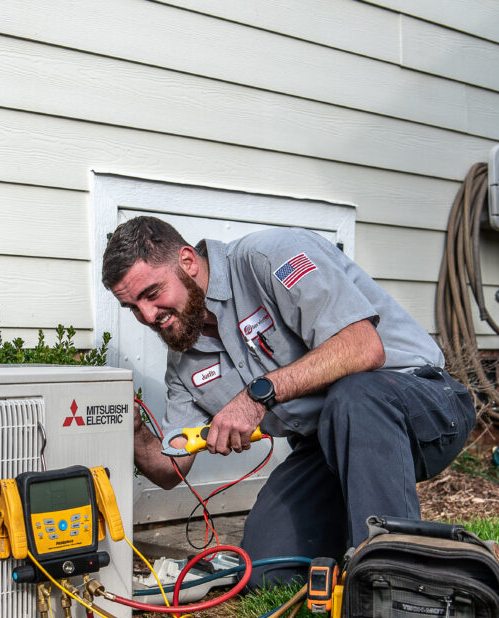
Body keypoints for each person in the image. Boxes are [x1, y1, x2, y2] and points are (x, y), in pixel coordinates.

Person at [102, 215, 475, 587]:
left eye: (152, 294)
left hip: (422, 404)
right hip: (327, 444)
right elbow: (171, 469)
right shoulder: (184, 361)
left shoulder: (268, 258)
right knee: (265, 569)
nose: (148, 316)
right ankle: (354, 547)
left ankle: (394, 582)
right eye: (133, 307)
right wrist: (132, 431)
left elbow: (364, 346)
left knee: (355, 394)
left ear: (187, 261)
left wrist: (255, 397)